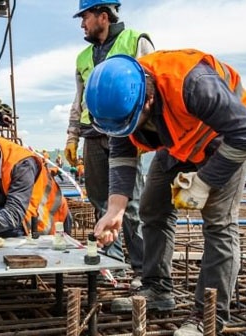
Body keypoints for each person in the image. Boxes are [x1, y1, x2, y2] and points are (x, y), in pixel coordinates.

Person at [87, 50, 246, 335]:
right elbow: (122, 152)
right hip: (178, 140)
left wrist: (205, 181)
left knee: (219, 225)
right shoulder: (119, 100)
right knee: (152, 207)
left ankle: (209, 316)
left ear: (149, 98)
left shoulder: (193, 84)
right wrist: (115, 209)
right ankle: (157, 289)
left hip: (226, 140)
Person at [66, 0, 153, 288]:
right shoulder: (82, 58)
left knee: (131, 204)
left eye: (85, 17)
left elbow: (152, 86)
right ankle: (113, 263)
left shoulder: (135, 41)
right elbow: (78, 101)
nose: (82, 25)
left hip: (126, 131)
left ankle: (142, 269)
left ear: (103, 16)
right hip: (93, 133)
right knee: (99, 200)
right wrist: (72, 136)